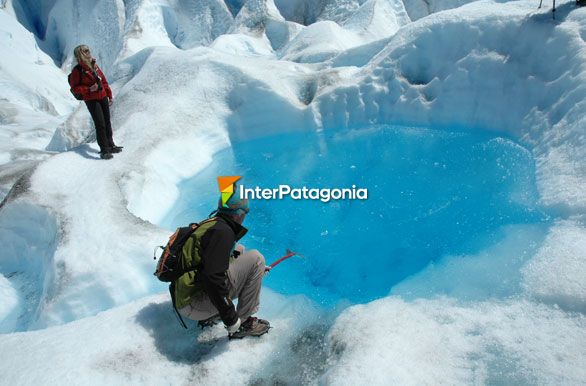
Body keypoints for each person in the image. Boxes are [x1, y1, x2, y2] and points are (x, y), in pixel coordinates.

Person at [174, 191, 270, 339]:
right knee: (256, 259)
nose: (245, 217)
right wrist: (230, 318)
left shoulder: (212, 224)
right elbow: (213, 278)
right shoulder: (223, 233)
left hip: (185, 296)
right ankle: (243, 324)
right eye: (245, 212)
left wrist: (250, 272)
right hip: (194, 304)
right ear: (238, 213)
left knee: (240, 251)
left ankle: (209, 314)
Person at [69, 45, 122, 160]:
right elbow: (74, 88)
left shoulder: (94, 65)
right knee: (100, 124)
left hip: (102, 96)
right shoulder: (77, 71)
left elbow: (103, 81)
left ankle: (111, 145)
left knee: (107, 122)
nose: (89, 52)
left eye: (88, 50)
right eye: (86, 51)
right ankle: (104, 150)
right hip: (91, 99)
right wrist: (88, 89)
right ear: (81, 54)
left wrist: (109, 95)